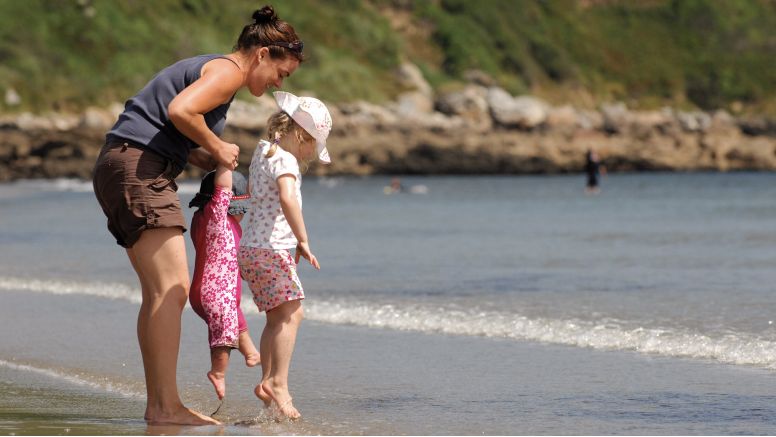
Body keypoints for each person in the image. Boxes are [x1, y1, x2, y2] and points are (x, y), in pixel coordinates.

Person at [91, 5, 304, 425]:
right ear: (262, 54)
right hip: (139, 170)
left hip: (122, 164)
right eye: (282, 73)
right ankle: (164, 407)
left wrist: (202, 156)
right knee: (170, 288)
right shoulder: (227, 72)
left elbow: (165, 125)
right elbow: (179, 112)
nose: (279, 82)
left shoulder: (211, 67)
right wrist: (219, 148)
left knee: (160, 290)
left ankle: (160, 406)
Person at [238, 91, 332, 420]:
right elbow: (288, 198)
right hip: (271, 249)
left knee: (277, 317)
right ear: (301, 135)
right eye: (312, 146)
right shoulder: (286, 160)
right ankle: (278, 383)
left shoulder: (264, 151)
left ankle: (266, 382)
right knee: (293, 315)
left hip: (251, 249)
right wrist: (302, 240)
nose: (310, 155)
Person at [188, 169, 260, 402]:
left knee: (237, 323)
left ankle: (251, 354)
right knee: (225, 334)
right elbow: (222, 193)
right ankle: (217, 372)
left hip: (209, 292)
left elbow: (227, 257)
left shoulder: (200, 221)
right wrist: (224, 163)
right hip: (216, 293)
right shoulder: (216, 219)